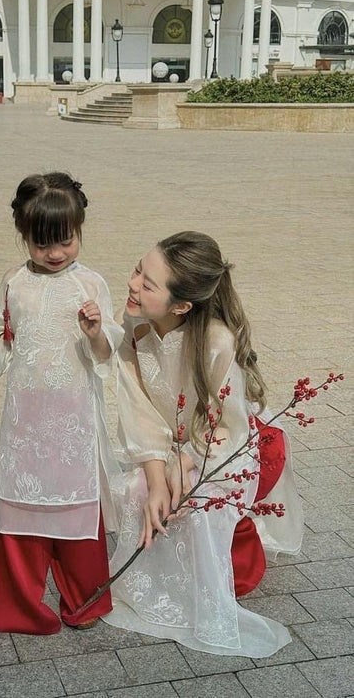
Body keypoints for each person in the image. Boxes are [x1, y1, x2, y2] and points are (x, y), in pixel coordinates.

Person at [103, 231, 303, 657]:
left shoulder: (216, 342)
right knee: (135, 495)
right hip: (167, 449)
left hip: (223, 450)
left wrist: (185, 465)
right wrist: (158, 478)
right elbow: (139, 413)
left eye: (148, 283)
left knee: (196, 510)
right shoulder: (134, 329)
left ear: (181, 306)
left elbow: (224, 429)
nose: (133, 284)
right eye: (138, 269)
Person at [0, 172, 123, 635]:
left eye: (65, 241)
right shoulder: (13, 282)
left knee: (77, 502)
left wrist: (95, 333)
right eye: (41, 243)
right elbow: (4, 334)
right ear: (23, 236)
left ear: (80, 231)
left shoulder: (91, 284)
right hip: (24, 420)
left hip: (73, 420)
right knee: (20, 500)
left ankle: (84, 600)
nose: (55, 254)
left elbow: (109, 348)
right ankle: (18, 607)